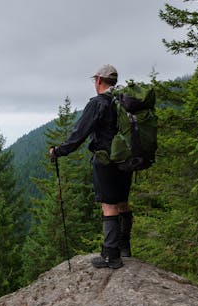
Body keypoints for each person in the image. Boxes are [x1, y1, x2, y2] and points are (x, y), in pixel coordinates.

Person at [49, 64, 133, 269]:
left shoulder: (98, 103)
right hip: (127, 159)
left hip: (106, 161)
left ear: (98, 80)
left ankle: (111, 255)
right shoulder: (124, 101)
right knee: (122, 202)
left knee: (109, 204)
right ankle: (124, 248)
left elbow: (80, 133)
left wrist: (59, 151)